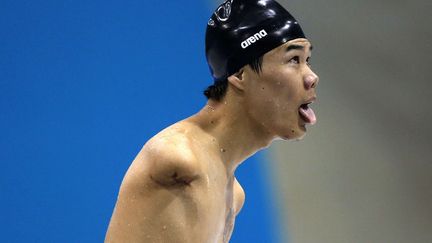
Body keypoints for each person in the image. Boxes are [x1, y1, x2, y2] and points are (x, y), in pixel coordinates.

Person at [105, 0, 319, 242]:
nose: (312, 77)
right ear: (240, 74)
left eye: (307, 60)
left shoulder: (232, 194)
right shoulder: (179, 160)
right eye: (294, 60)